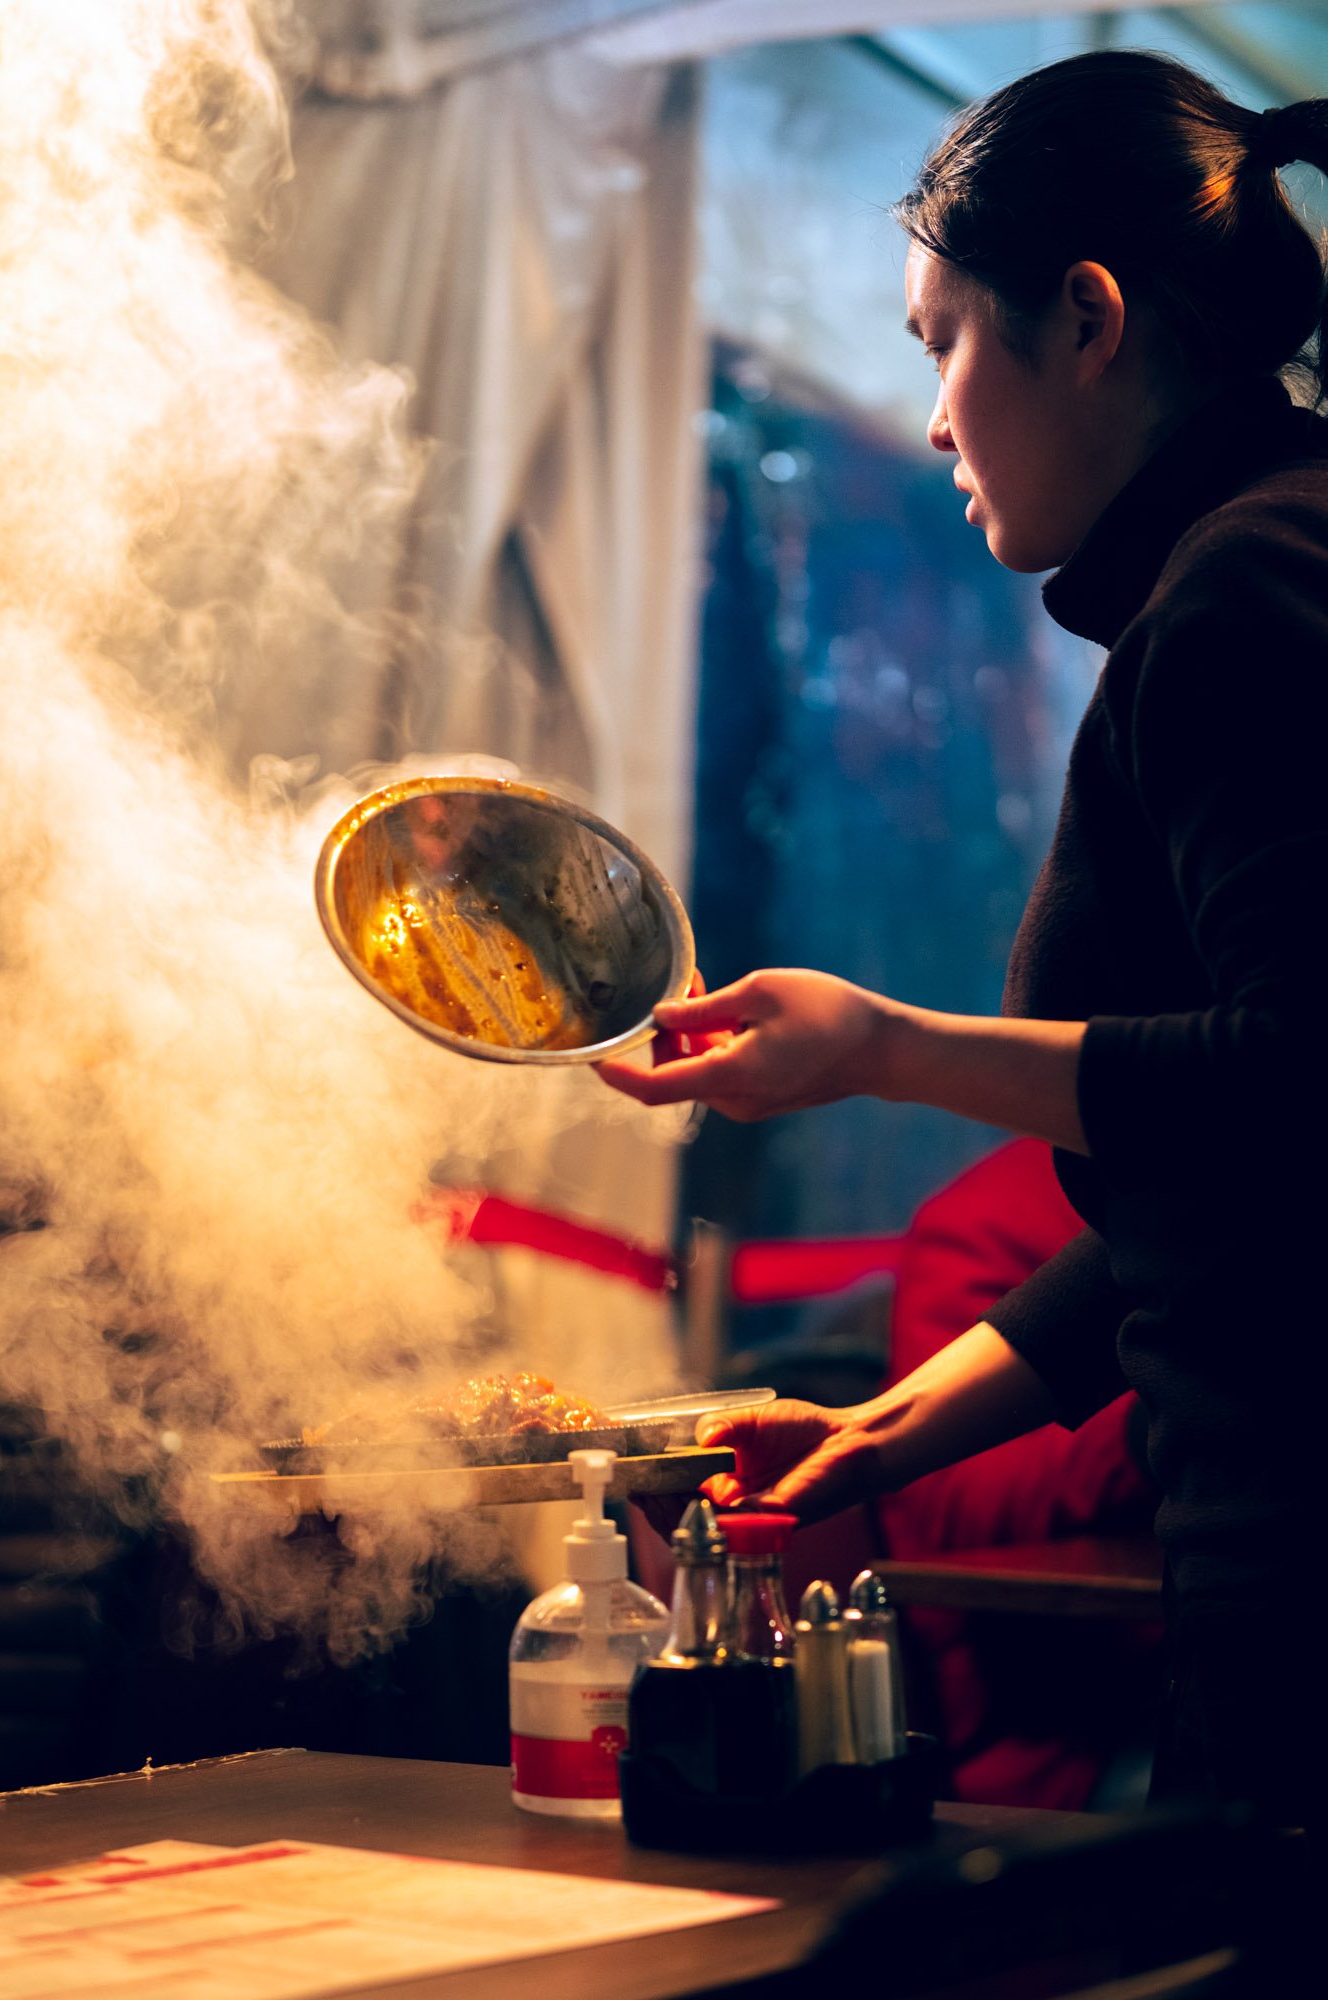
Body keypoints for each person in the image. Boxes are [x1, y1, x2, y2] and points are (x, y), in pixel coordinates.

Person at [599, 48, 1328, 1852]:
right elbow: (1216, 1194)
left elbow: (1296, 1073)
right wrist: (895, 1433)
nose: (930, 415)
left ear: (1083, 319)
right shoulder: (1256, 557)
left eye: (941, 341)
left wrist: (879, 1050)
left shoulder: (1250, 588)